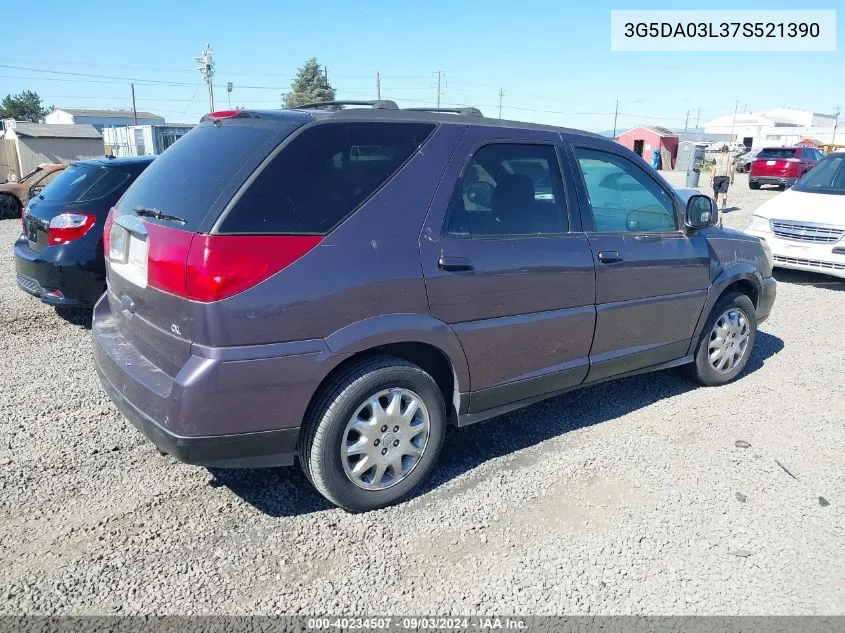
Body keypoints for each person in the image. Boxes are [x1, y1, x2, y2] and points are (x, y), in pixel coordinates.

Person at [711, 145, 735, 211]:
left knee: (716, 192)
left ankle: (714, 206)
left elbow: (714, 168)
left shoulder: (716, 158)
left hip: (717, 176)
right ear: (728, 150)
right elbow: (732, 170)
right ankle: (724, 205)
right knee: (724, 192)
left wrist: (711, 177)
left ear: (721, 150)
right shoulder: (731, 159)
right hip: (726, 176)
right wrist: (732, 178)